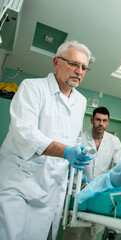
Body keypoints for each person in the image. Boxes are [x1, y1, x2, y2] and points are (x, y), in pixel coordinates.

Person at [0, 40, 93, 240]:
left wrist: (75, 166)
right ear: (56, 62)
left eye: (83, 67)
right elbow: (25, 132)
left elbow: (74, 136)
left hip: (53, 186)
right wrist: (67, 152)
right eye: (73, 64)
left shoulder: (81, 101)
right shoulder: (32, 87)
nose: (79, 70)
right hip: (20, 182)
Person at [63, 106, 121, 240]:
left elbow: (119, 167)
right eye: (98, 120)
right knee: (72, 232)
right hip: (78, 190)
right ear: (92, 120)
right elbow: (70, 165)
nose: (101, 123)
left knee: (91, 233)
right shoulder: (81, 138)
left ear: (108, 122)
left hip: (99, 193)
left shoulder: (114, 142)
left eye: (104, 120)